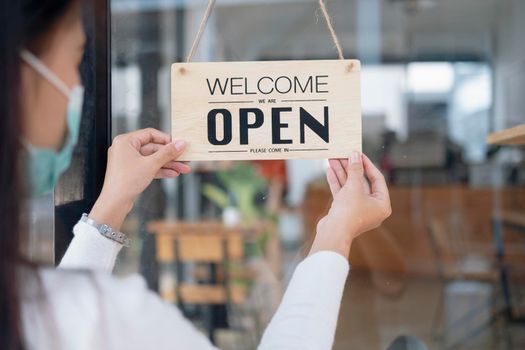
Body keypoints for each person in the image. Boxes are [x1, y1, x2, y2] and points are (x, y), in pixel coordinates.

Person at [0, 1, 392, 349]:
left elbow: (69, 310)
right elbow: (77, 313)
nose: (77, 84)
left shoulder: (34, 310)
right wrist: (336, 232)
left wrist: (112, 201)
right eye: (75, 58)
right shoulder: (110, 316)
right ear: (21, 75)